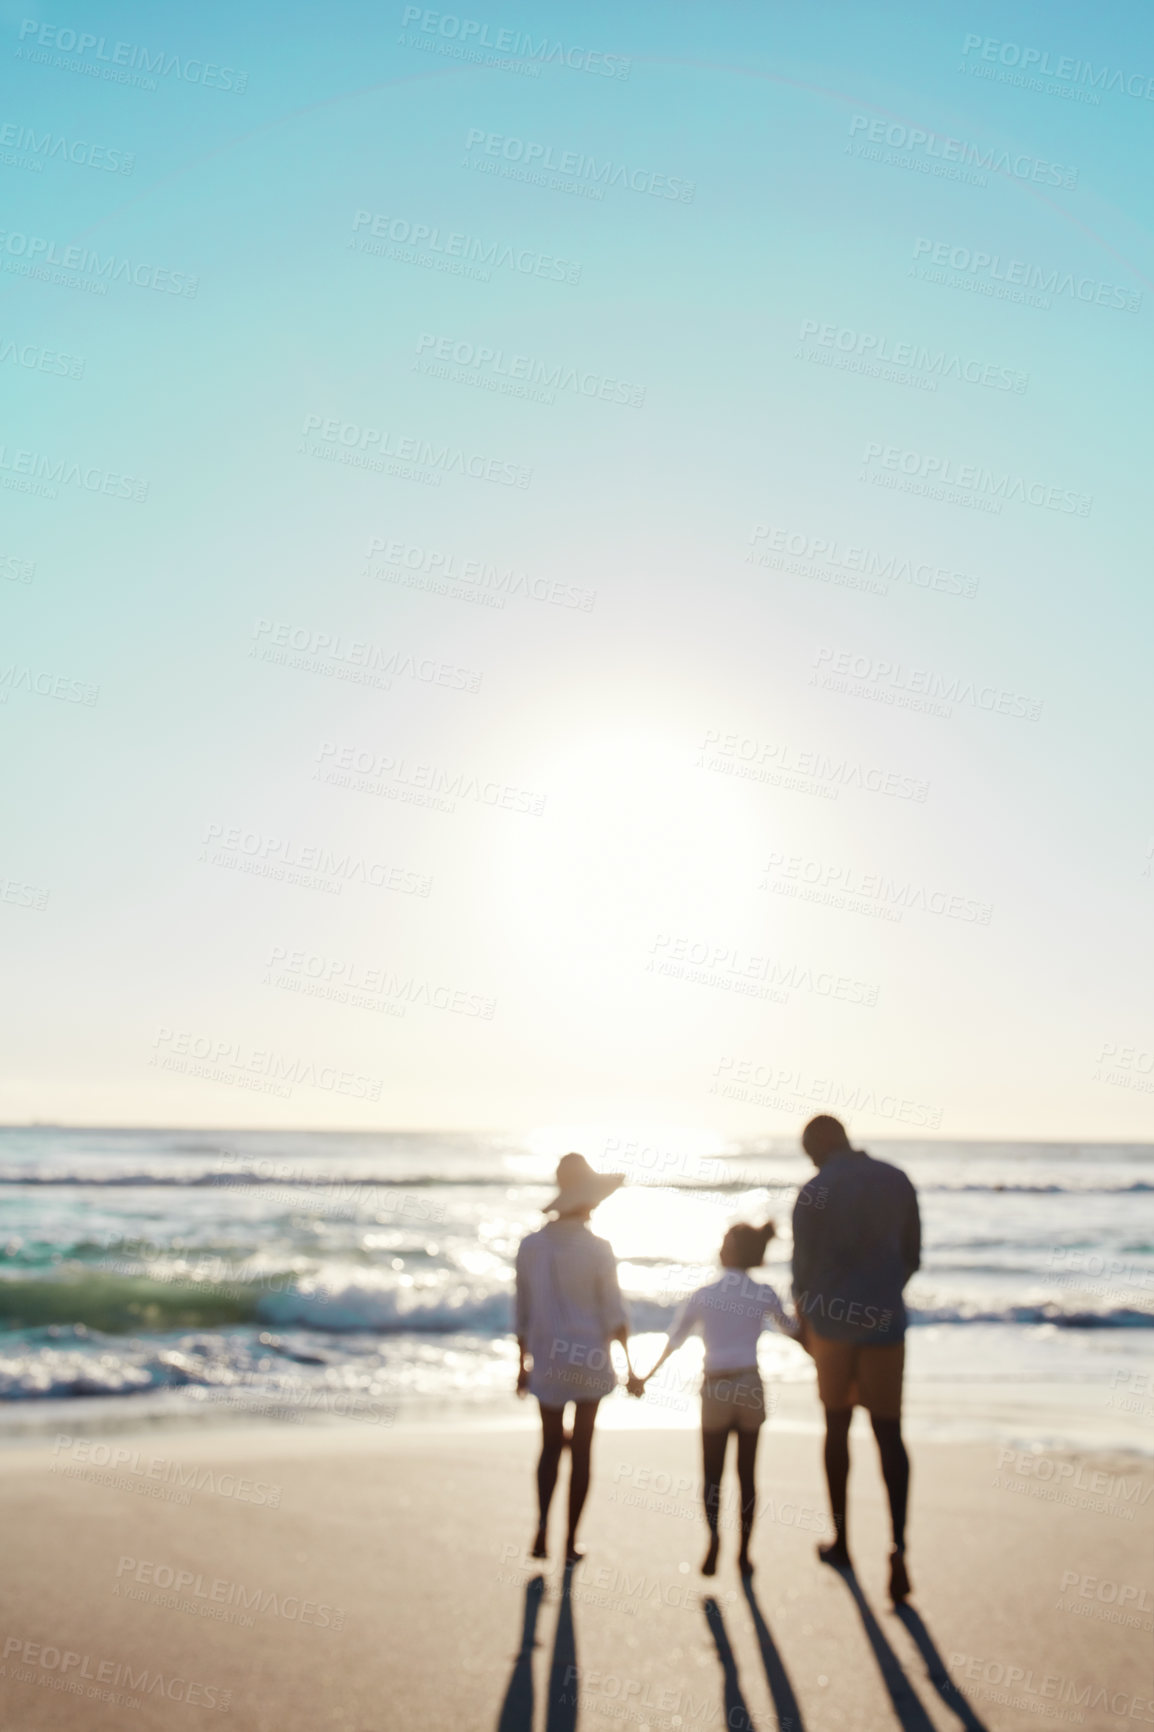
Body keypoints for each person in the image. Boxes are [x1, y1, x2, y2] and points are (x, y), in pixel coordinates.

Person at [792, 1114, 921, 1603]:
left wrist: (807, 1324)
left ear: (817, 1149)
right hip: (885, 1323)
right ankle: (899, 1546)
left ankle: (843, 1542)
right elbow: (912, 1255)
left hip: (831, 1328)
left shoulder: (814, 1191)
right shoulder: (896, 1179)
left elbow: (802, 1273)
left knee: (837, 1428)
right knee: (890, 1434)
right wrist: (883, 1295)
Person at [635, 1220, 797, 1577]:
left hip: (716, 1388)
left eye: (724, 1241)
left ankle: (713, 1541)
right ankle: (744, 1553)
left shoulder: (705, 1294)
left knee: (712, 1476)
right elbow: (793, 1330)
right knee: (747, 1475)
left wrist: (644, 1378)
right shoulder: (764, 1292)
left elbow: (675, 1340)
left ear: (731, 1250)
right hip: (751, 1385)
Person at [515, 1152, 636, 1564]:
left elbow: (523, 1313)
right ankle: (570, 1543)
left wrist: (521, 1367)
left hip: (547, 1360)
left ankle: (541, 1529)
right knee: (582, 1449)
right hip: (590, 1360)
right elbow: (614, 1315)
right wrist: (632, 1368)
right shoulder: (599, 1248)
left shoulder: (530, 1246)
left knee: (550, 1446)